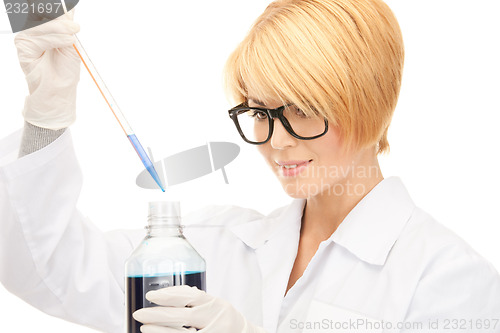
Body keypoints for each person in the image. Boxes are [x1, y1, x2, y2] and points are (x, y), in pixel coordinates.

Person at [1, 1, 500, 333]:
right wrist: (47, 113)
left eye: (302, 108)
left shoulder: (447, 277)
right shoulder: (213, 244)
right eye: (259, 112)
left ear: (369, 102)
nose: (275, 140)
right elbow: (47, 267)